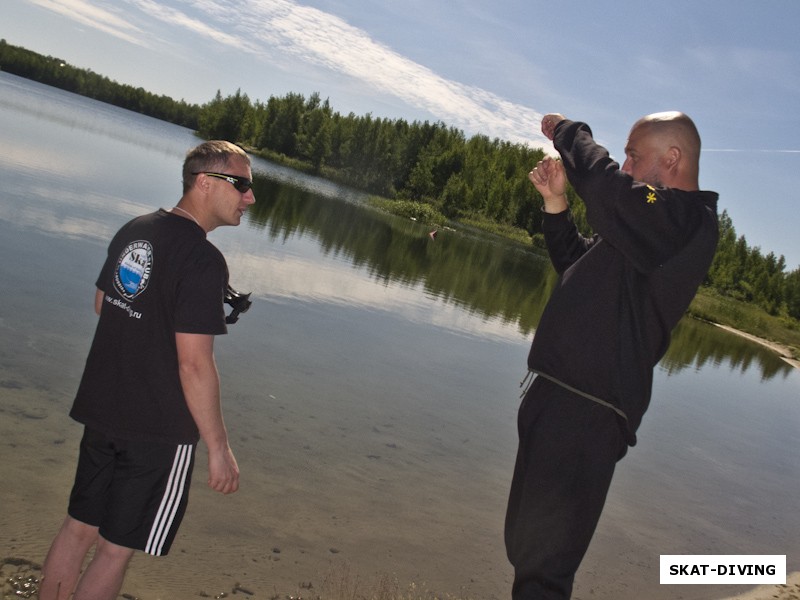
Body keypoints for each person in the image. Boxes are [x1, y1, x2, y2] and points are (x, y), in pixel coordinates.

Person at [504, 112, 719, 599]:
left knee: (545, 568)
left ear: (673, 158)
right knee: (526, 548)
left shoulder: (682, 219)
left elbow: (608, 188)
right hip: (560, 400)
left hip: (587, 413)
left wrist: (567, 132)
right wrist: (556, 206)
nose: (625, 164)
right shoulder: (650, 227)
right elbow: (576, 265)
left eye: (633, 155)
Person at [39, 140, 256, 600]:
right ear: (204, 182)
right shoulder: (203, 259)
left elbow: (104, 303)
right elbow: (194, 364)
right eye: (241, 185)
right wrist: (219, 449)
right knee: (115, 550)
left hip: (103, 409)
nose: (249, 198)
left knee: (78, 528)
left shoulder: (137, 229)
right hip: (157, 429)